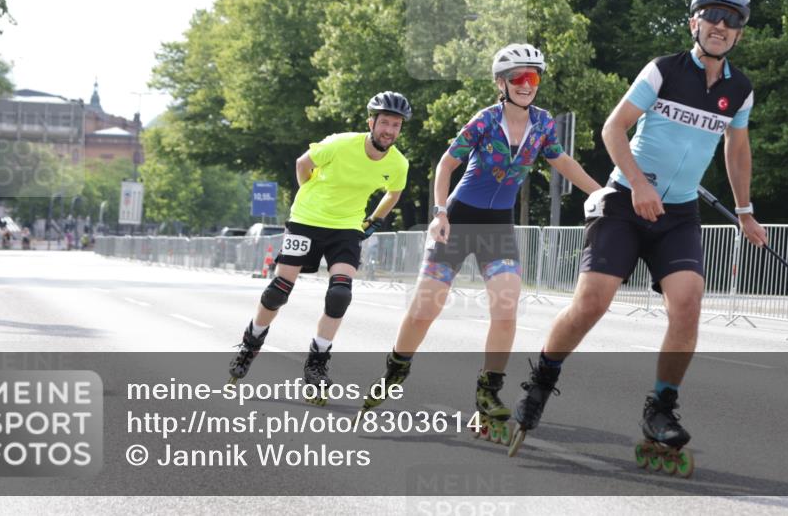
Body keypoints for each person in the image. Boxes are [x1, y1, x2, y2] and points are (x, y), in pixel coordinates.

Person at [509, 0, 768, 466]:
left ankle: (660, 408)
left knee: (688, 302)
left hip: (680, 214)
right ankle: (541, 382)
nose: (720, 26)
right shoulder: (663, 70)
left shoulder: (740, 90)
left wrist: (746, 210)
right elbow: (613, 127)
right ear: (694, 22)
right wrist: (638, 183)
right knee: (592, 303)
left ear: (739, 34)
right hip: (627, 202)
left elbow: (737, 149)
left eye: (731, 20)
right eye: (711, 15)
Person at [362, 44, 602, 442]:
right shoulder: (485, 120)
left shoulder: (543, 125)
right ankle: (395, 369)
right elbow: (446, 164)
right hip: (459, 220)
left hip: (497, 226)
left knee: (506, 308)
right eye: (519, 78)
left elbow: (564, 163)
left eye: (534, 78)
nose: (527, 85)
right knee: (426, 308)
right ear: (501, 83)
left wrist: (602, 195)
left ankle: (488, 393)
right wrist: (440, 211)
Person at [227, 91, 413, 399]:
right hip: (307, 221)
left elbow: (393, 193)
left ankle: (317, 362)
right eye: (384, 123)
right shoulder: (340, 144)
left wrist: (375, 221)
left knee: (340, 294)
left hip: (346, 228)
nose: (389, 131)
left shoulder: (397, 164)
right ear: (371, 122)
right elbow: (303, 163)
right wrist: (310, 196)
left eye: (396, 125)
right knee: (279, 290)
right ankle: (251, 344)